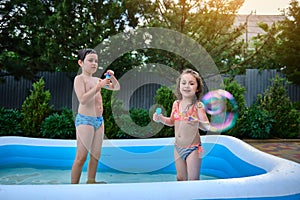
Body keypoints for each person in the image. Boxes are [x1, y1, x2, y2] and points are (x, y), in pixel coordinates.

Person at [71, 48, 120, 184]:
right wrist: (99, 87)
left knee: (95, 155)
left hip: (99, 121)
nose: (94, 64)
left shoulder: (97, 79)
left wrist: (112, 77)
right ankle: (73, 187)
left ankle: (91, 181)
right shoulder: (79, 79)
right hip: (85, 120)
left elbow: (116, 87)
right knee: (81, 157)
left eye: (96, 61)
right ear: (81, 63)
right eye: (90, 60)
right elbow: (83, 99)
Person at [153, 69, 211, 181]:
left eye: (191, 83)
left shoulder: (198, 106)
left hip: (193, 149)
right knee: (180, 178)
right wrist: (160, 118)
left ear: (197, 88)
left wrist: (196, 122)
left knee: (193, 180)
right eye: (183, 83)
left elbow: (207, 126)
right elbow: (171, 122)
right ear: (179, 86)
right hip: (178, 147)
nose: (187, 86)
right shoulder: (176, 104)